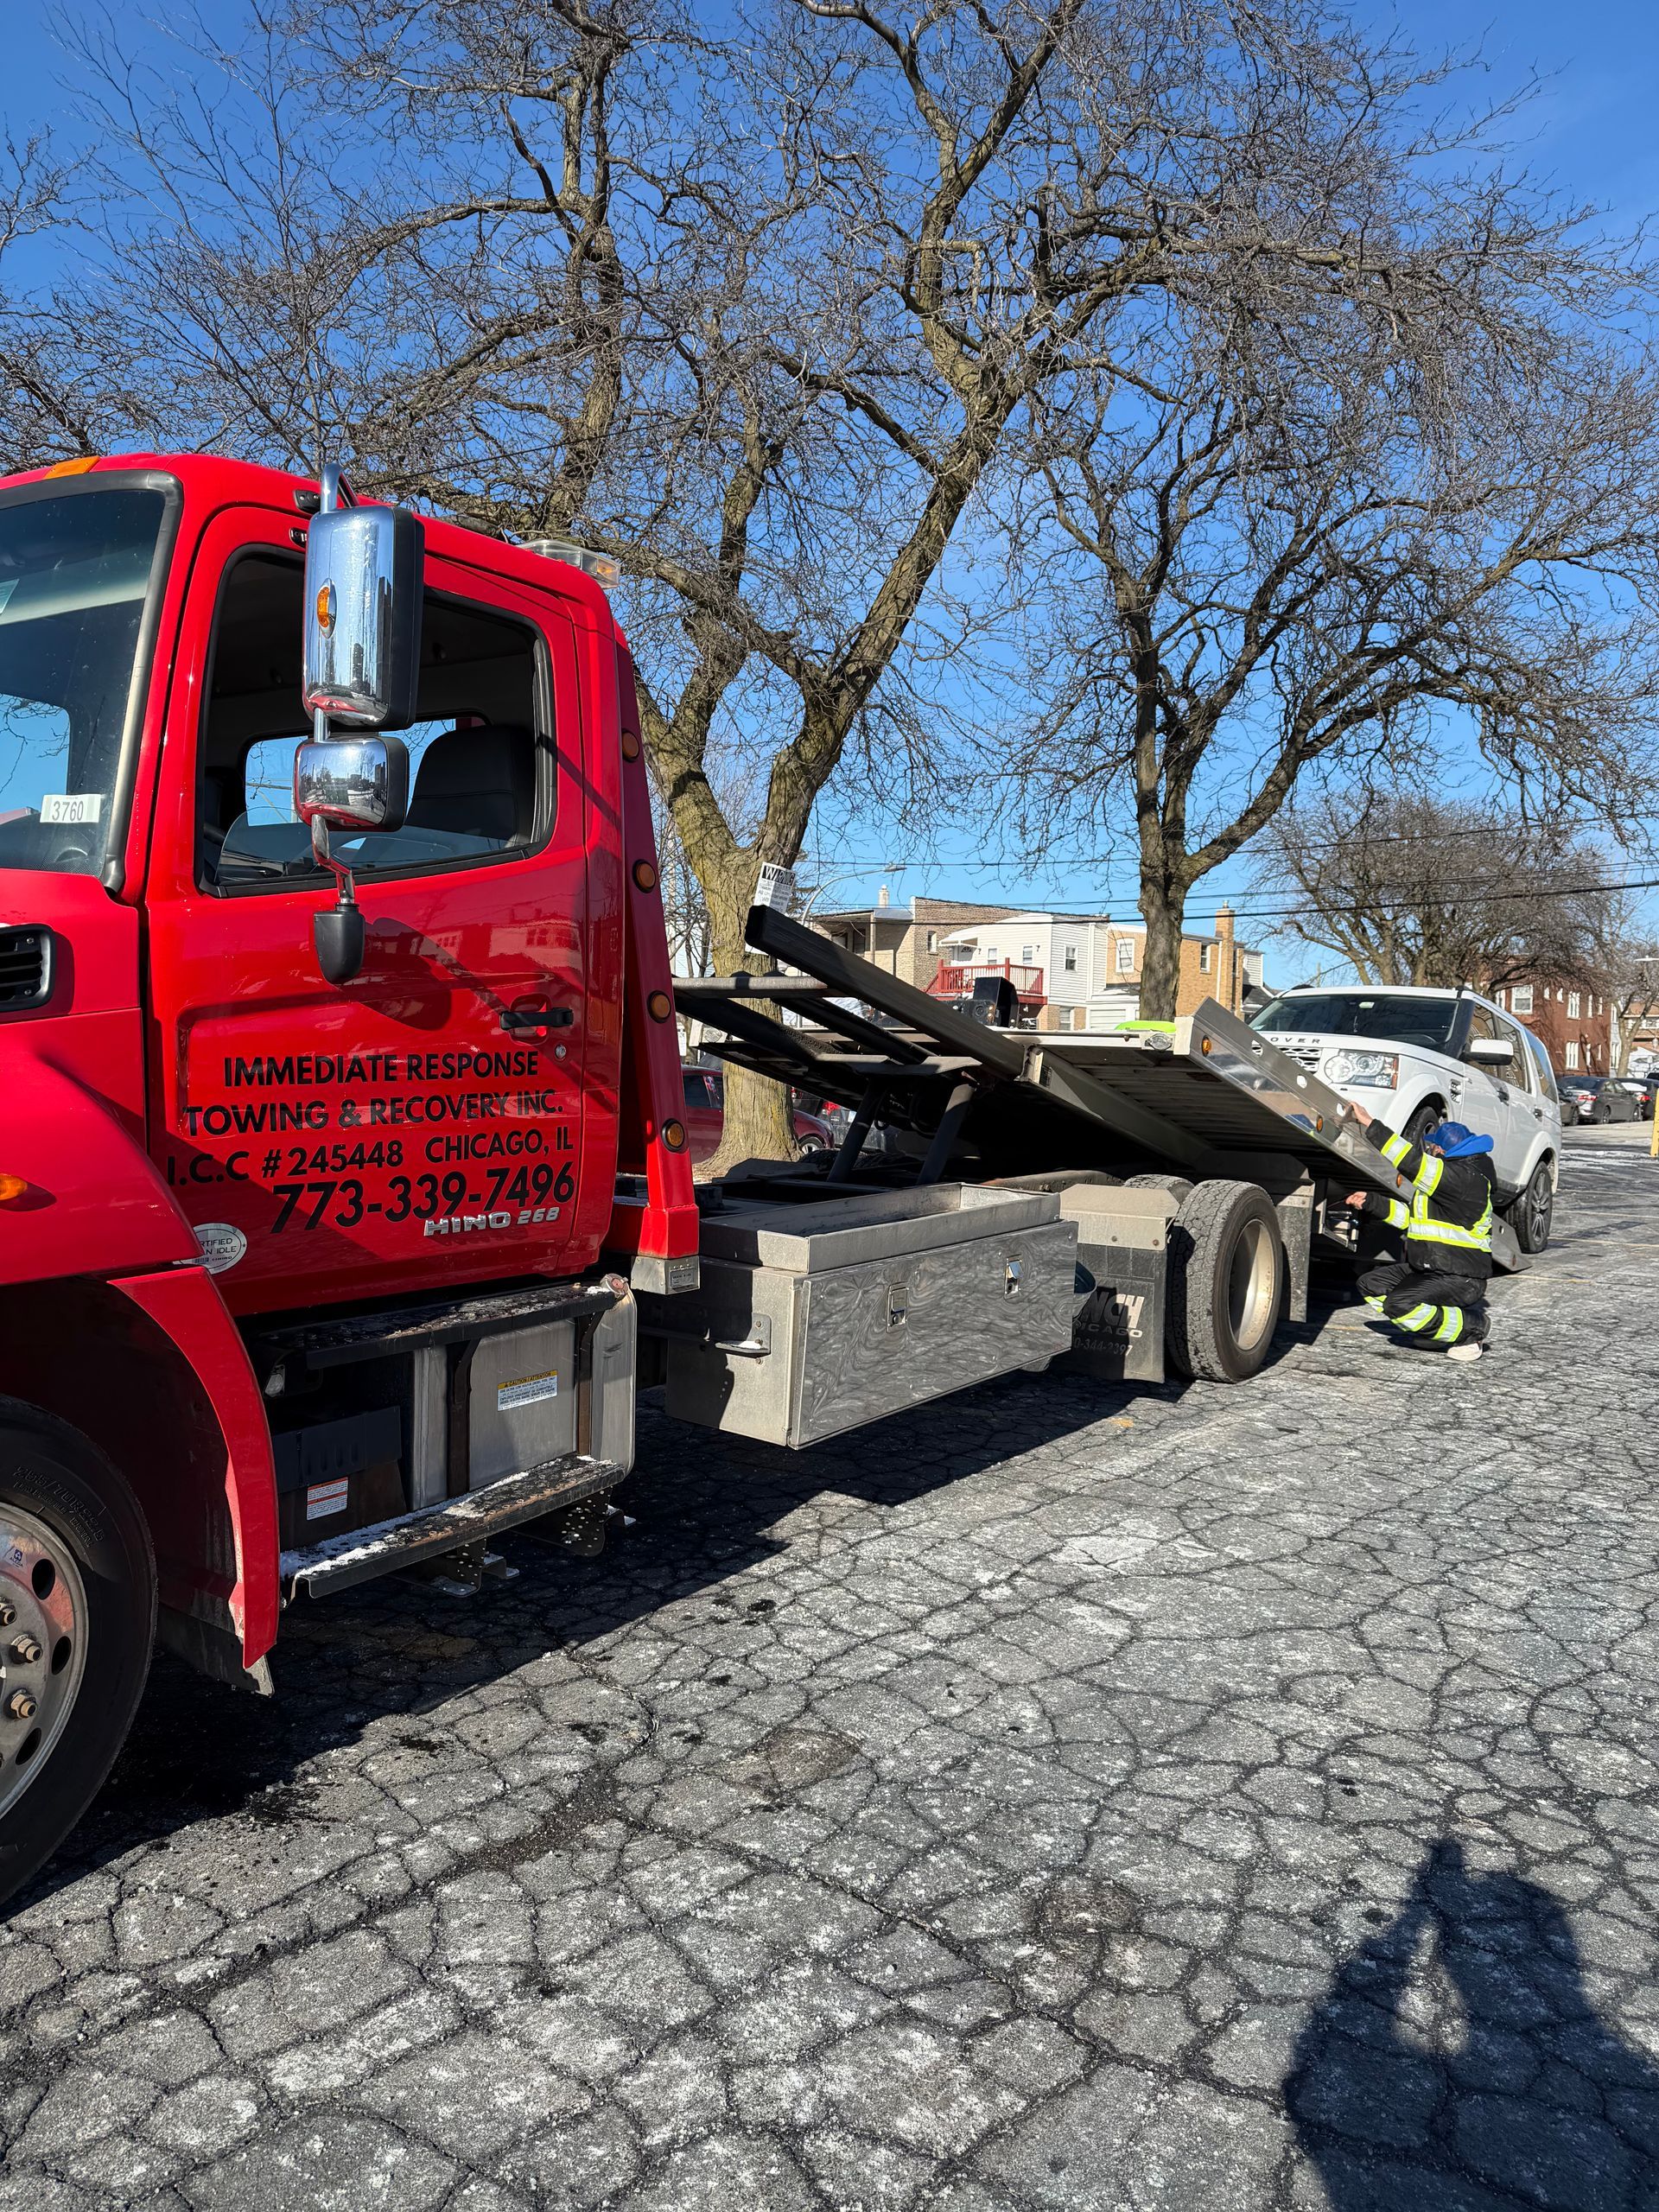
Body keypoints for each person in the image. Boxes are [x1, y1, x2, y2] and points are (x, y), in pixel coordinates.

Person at [1344, 1103, 1496, 1361]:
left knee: (1399, 1304)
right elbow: (1412, 1221)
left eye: (1433, 1147)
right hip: (1432, 1268)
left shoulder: (1463, 1179)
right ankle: (1439, 1331)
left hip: (1460, 1276)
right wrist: (1371, 1201)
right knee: (1371, 1285)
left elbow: (1411, 1162)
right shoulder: (1450, 1182)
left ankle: (1471, 1328)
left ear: (1440, 1149)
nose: (1430, 1150)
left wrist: (1370, 1124)